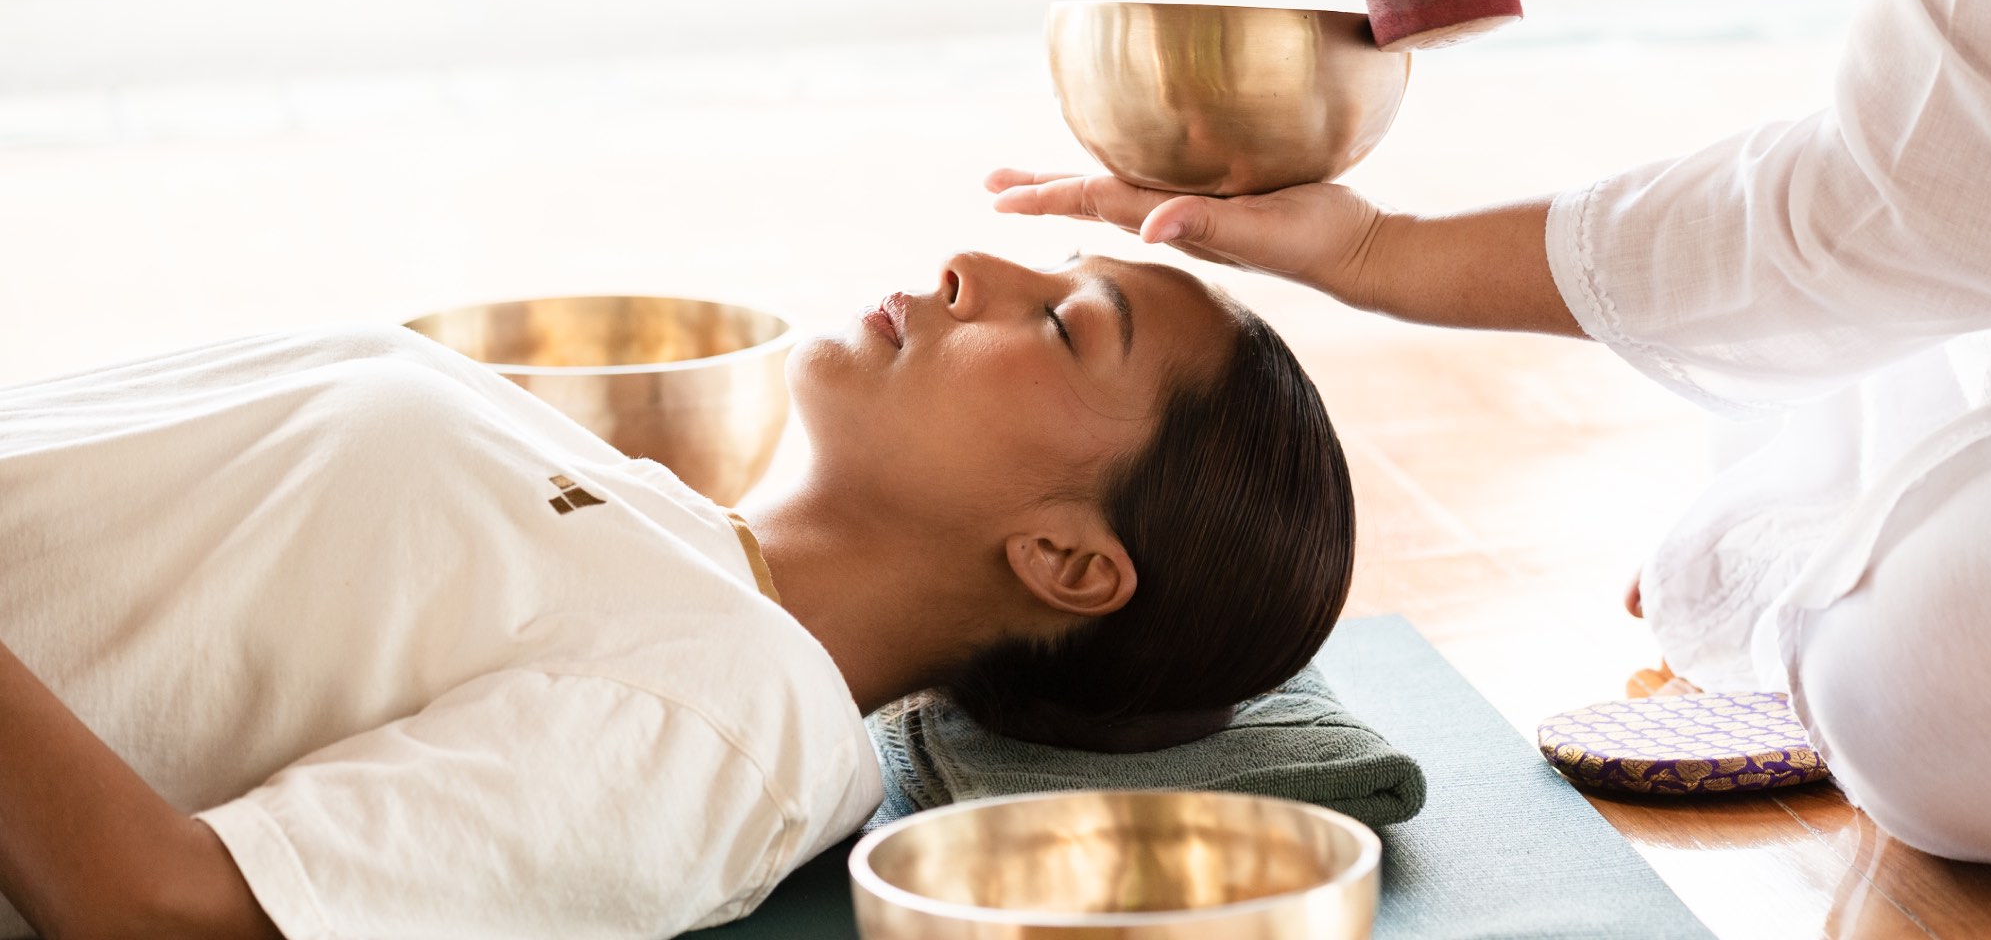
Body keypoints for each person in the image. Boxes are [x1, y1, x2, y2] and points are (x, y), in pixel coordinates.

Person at [991, 0, 1991, 871]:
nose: (952, 284)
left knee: (1957, 692)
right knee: (1790, 413)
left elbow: (1932, 208)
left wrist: (1385, 256)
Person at [0, 252, 1355, 939]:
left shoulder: (734, 720)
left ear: (1067, 563)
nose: (973, 267)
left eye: (1065, 323)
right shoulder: (663, 531)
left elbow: (163, 913)